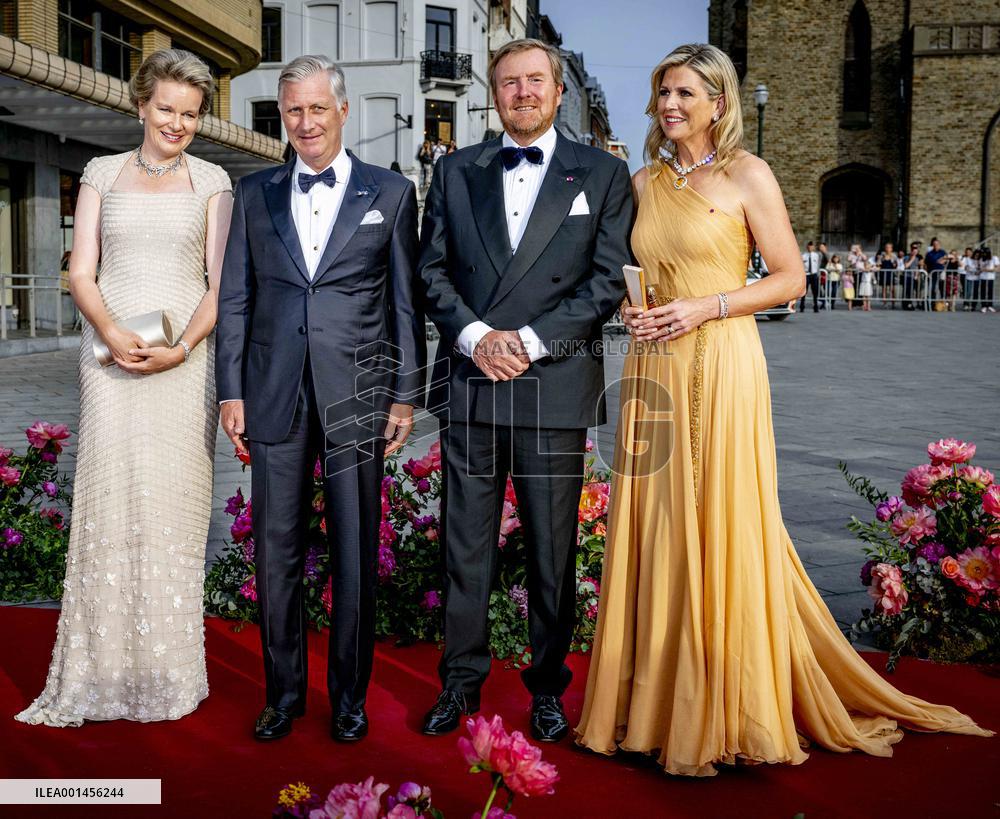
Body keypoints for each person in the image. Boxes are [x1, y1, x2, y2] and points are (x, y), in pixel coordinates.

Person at [574, 43, 991, 777]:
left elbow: (792, 278)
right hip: (652, 369)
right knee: (659, 524)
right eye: (662, 92)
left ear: (720, 102)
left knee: (721, 520)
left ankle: (725, 704)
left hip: (723, 360)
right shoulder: (640, 182)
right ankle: (655, 703)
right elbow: (623, 276)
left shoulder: (747, 174)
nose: (669, 105)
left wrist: (708, 304)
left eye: (685, 93)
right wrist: (629, 310)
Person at [417, 37, 630, 743]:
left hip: (553, 385)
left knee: (551, 548)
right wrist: (479, 337)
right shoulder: (453, 171)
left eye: (536, 80)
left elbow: (606, 281)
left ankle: (547, 687)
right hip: (473, 383)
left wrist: (529, 341)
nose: (523, 93)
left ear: (559, 90)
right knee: (465, 547)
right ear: (494, 91)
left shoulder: (601, 175)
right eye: (510, 82)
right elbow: (430, 273)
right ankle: (460, 682)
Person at [15, 49, 233, 726]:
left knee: (172, 510)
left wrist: (182, 350)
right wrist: (109, 331)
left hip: (183, 364)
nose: (176, 123)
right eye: (165, 108)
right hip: (106, 360)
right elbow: (81, 271)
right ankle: (98, 672)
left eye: (190, 114)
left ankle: (167, 674)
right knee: (109, 509)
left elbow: (223, 285)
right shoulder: (101, 173)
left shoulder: (214, 180)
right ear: (141, 105)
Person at [216, 55, 424, 743]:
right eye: (292, 111)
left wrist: (403, 395)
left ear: (341, 110)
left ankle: (349, 696)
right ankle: (282, 694)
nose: (304, 123)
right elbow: (236, 301)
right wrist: (232, 389)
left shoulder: (391, 194)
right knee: (274, 552)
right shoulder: (253, 195)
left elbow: (404, 303)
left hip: (357, 396)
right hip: (273, 395)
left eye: (315, 108)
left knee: (355, 551)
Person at [800, 240, 820, 312]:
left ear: (813, 247)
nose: (810, 248)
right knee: (804, 291)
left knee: (815, 291)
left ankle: (815, 306)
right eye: (809, 247)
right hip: (806, 275)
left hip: (814, 275)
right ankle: (802, 306)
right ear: (807, 247)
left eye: (811, 247)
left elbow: (817, 265)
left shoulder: (816, 255)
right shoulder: (803, 255)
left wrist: (818, 274)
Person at [925, 237, 947, 304]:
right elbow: (928, 262)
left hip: (940, 272)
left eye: (937, 244)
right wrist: (939, 261)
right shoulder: (929, 253)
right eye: (934, 244)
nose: (936, 246)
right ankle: (932, 302)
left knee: (942, 288)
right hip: (932, 272)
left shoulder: (943, 252)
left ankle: (943, 302)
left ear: (939, 245)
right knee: (932, 288)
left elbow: (946, 260)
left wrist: (942, 260)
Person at [902, 241, 923, 310]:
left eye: (916, 249)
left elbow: (917, 267)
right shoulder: (907, 257)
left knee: (912, 291)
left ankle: (910, 304)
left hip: (913, 277)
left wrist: (916, 275)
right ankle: (905, 304)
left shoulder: (918, 258)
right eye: (913, 249)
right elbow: (906, 265)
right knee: (906, 291)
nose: (915, 250)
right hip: (907, 276)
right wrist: (912, 258)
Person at [877, 242, 895, 308]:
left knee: (892, 289)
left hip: (890, 274)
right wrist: (879, 259)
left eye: (889, 247)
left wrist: (892, 259)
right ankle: (884, 303)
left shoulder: (894, 256)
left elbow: (895, 265)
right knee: (884, 289)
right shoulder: (882, 256)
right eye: (886, 247)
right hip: (883, 274)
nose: (887, 249)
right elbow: (878, 264)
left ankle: (893, 303)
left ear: (891, 249)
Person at [980, 246, 997, 313]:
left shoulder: (994, 258)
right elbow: (981, 268)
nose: (984, 255)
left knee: (990, 292)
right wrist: (985, 269)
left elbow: (997, 268)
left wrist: (989, 270)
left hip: (991, 277)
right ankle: (983, 306)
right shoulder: (982, 259)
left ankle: (990, 305)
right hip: (983, 277)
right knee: (983, 292)